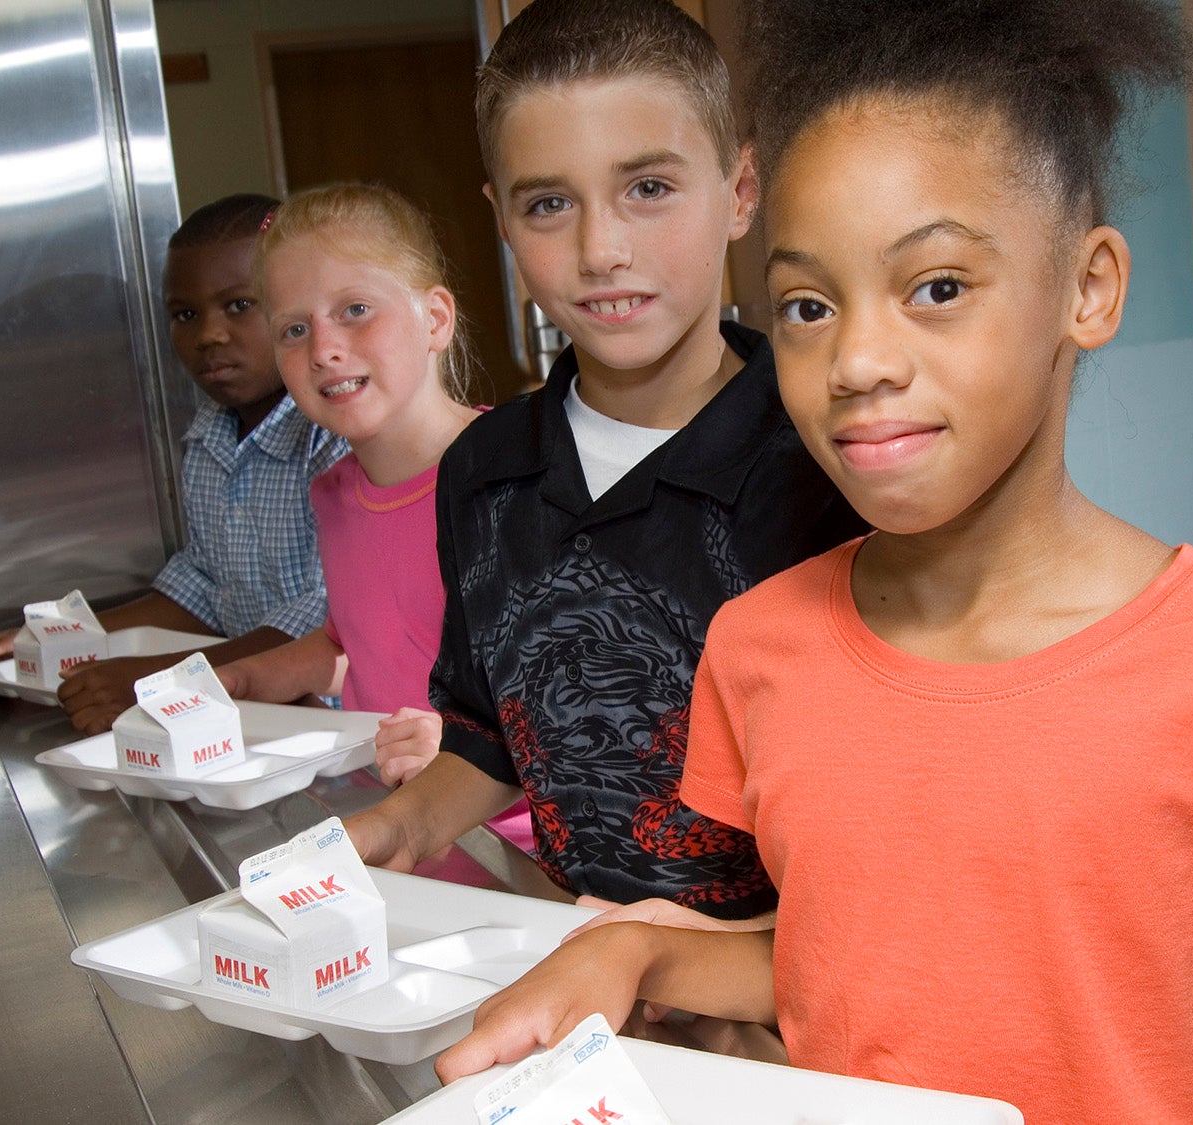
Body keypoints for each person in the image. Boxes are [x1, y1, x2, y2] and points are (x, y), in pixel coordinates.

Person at [439, 1, 1193, 1120]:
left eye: (935, 288)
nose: (859, 360)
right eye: (806, 306)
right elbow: (841, 971)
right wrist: (638, 954)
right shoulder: (758, 647)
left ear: (1086, 289)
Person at [340, 0, 861, 918]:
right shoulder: (484, 471)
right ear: (500, 218)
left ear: (741, 191)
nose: (601, 251)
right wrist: (395, 829)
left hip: (805, 1022)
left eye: (648, 188)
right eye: (549, 204)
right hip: (590, 1003)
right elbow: (490, 737)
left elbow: (907, 807)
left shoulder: (835, 455)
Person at [209, 183, 529, 850]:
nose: (324, 348)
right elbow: (351, 641)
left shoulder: (519, 481)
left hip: (521, 855)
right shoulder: (332, 497)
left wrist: (469, 752)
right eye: (295, 329)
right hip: (402, 838)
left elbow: (585, 694)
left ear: (435, 318)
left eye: (355, 309)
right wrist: (243, 677)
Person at [0, 194, 345, 734]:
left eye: (239, 305)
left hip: (334, 731)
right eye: (185, 314)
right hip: (241, 716)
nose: (209, 334)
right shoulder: (209, 439)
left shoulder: (334, 438)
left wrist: (157, 679)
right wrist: (64, 631)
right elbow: (204, 585)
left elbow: (329, 617)